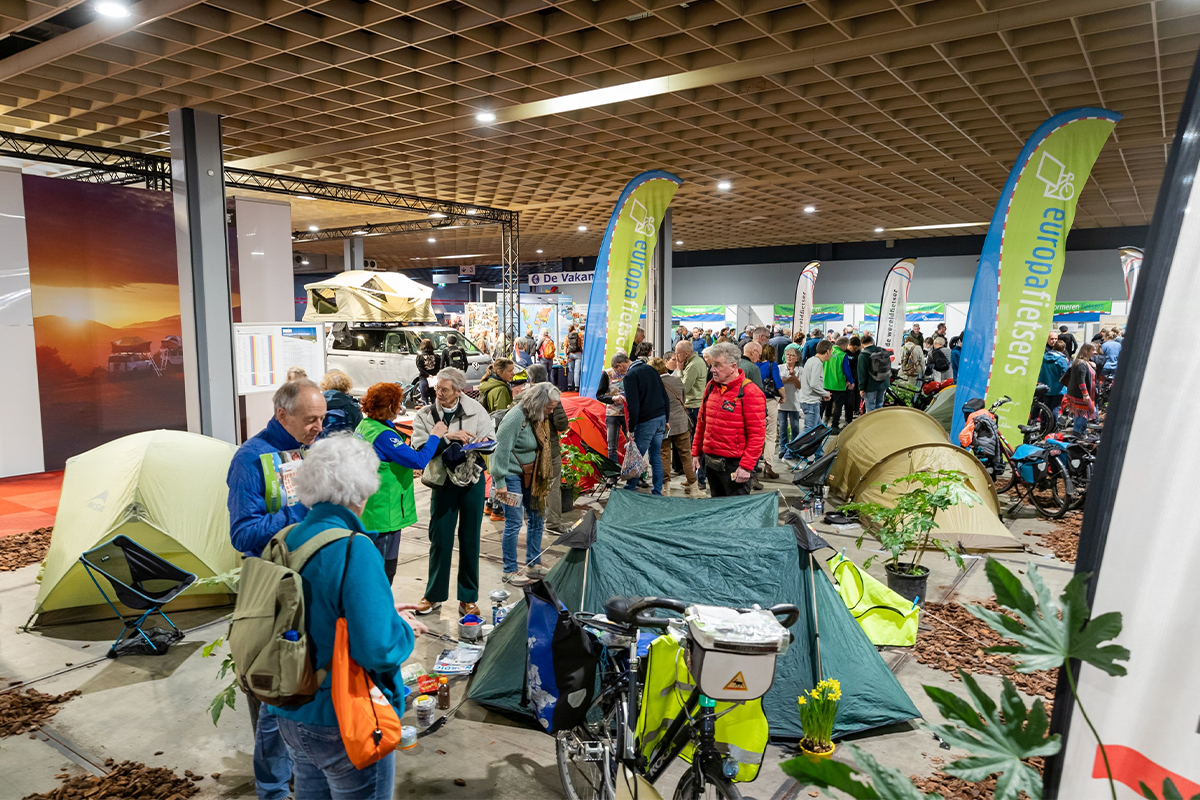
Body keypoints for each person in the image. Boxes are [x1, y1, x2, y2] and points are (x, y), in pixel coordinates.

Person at [269, 435, 425, 800]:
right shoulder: (354, 548)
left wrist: (384, 612)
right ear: (362, 489)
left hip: (291, 711)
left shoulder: (287, 538)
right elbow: (379, 649)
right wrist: (401, 628)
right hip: (343, 717)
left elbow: (318, 612)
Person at [226, 378, 327, 800]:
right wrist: (299, 511)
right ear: (282, 415)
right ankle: (272, 790)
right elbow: (243, 533)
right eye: (310, 420)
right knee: (275, 692)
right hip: (272, 594)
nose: (318, 427)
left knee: (307, 684)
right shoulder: (250, 459)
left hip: (312, 586)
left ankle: (305, 773)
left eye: (322, 419)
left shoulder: (309, 450)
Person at [411, 368, 494, 616]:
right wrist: (448, 437)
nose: (439, 393)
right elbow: (418, 447)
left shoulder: (476, 410)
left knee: (470, 538)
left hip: (472, 481)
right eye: (437, 388)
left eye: (444, 390)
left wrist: (478, 442)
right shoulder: (426, 414)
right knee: (440, 538)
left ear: (459, 391)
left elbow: (490, 438)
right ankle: (433, 595)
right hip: (441, 481)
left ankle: (468, 597)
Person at [356, 383, 445, 585]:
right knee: (384, 571)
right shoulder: (384, 436)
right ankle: (380, 612)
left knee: (369, 567)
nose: (400, 408)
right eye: (397, 404)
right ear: (388, 407)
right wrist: (435, 435)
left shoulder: (365, 426)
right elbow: (418, 460)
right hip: (385, 513)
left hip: (369, 508)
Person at [490, 382, 561, 584]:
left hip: (532, 476)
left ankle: (534, 564)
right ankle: (510, 570)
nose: (552, 410)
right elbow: (500, 449)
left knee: (538, 517)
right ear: (539, 403)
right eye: (550, 407)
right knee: (513, 522)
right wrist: (500, 481)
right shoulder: (516, 417)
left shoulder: (537, 417)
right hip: (510, 476)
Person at [690, 343, 766, 497]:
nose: (712, 369)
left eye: (718, 365)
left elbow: (757, 435)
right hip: (711, 463)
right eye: (712, 365)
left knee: (735, 514)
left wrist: (746, 466)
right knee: (717, 508)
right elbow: (702, 423)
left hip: (735, 466)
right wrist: (696, 453)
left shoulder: (750, 392)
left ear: (733, 366)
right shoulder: (711, 387)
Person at [525, 363, 570, 532]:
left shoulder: (525, 396)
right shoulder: (551, 395)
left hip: (528, 452)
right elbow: (561, 424)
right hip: (549, 450)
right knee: (552, 488)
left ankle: (533, 522)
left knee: (530, 487)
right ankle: (552, 523)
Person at [621, 353, 670, 495]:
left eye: (618, 370)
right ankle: (657, 491)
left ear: (621, 365)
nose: (619, 373)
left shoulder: (630, 376)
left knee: (636, 455)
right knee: (655, 456)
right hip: (660, 418)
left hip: (646, 421)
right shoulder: (651, 370)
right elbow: (664, 396)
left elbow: (633, 405)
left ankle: (630, 489)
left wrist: (631, 429)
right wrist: (666, 418)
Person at [649, 357, 698, 495]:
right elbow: (683, 397)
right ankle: (694, 487)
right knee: (686, 455)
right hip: (681, 422)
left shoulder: (654, 384)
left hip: (664, 424)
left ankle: (666, 488)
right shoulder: (677, 380)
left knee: (664, 455)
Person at [676, 340, 708, 491]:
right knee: (694, 443)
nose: (676, 357)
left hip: (694, 407)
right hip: (693, 405)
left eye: (678, 354)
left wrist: (680, 370)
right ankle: (694, 478)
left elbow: (683, 388)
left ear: (686, 354)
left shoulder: (693, 365)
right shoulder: (694, 362)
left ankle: (699, 479)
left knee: (696, 443)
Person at [596, 353, 631, 461]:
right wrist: (613, 398)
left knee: (631, 445)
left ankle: (633, 472)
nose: (619, 372)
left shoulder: (631, 372)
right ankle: (613, 474)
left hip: (628, 413)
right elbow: (599, 395)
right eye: (617, 369)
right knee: (612, 446)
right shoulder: (607, 374)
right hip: (613, 414)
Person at [756, 343, 783, 478]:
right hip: (769, 401)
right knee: (770, 435)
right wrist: (783, 396)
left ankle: (754, 465)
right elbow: (778, 384)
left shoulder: (754, 366)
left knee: (755, 435)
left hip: (755, 402)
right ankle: (768, 465)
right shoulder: (773, 366)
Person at [1062, 344, 1098, 435]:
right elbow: (1081, 381)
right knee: (1081, 414)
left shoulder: (1084, 363)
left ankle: (1081, 431)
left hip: (1079, 393)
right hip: (1079, 394)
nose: (1095, 352)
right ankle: (1077, 432)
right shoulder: (1081, 364)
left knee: (1082, 414)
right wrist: (1085, 394)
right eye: (1093, 350)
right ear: (1087, 351)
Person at [799, 341, 833, 433]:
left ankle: (819, 448)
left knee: (818, 430)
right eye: (831, 351)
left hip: (807, 400)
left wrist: (822, 395)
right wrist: (825, 393)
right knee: (809, 431)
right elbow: (814, 384)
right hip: (811, 403)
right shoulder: (817, 363)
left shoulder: (811, 360)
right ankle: (791, 448)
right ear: (827, 351)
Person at [824, 336, 856, 433]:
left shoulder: (827, 352)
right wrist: (851, 381)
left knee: (827, 405)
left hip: (826, 384)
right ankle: (834, 426)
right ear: (843, 345)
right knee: (838, 406)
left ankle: (824, 424)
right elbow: (847, 370)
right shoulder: (842, 355)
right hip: (838, 384)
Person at [319, 369, 362, 436]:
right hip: (346, 444)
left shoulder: (316, 405)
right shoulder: (353, 407)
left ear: (324, 385)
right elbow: (359, 431)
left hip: (321, 444)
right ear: (347, 386)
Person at [778, 344, 802, 455]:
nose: (789, 357)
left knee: (795, 427)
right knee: (782, 427)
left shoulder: (800, 370)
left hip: (794, 402)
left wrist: (794, 377)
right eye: (787, 355)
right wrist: (789, 379)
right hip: (782, 402)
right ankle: (783, 449)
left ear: (797, 358)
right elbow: (778, 383)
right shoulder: (779, 368)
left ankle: (794, 449)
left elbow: (799, 386)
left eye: (792, 355)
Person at [857, 334, 890, 413]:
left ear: (862, 344)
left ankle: (872, 424)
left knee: (870, 409)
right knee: (879, 406)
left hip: (870, 386)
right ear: (872, 341)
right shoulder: (883, 351)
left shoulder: (863, 355)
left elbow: (862, 373)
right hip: (883, 383)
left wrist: (861, 388)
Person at [1039, 338, 1069, 414]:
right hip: (1058, 388)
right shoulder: (1062, 359)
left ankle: (1043, 424)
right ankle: (1052, 425)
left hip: (1044, 385)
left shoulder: (1043, 357)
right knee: (1055, 408)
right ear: (1063, 349)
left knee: (1046, 407)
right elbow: (1065, 374)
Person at [416, 338, 440, 405]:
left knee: (424, 398)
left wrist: (427, 374)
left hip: (424, 378)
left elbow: (419, 368)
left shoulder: (419, 356)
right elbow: (438, 367)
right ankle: (435, 412)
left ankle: (426, 412)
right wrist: (434, 374)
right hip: (434, 379)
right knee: (434, 397)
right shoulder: (436, 356)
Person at [566, 324, 583, 391]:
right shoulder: (579, 335)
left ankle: (569, 386)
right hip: (578, 354)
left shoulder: (567, 336)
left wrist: (566, 355)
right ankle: (576, 387)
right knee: (577, 371)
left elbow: (565, 346)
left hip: (570, 354)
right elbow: (582, 345)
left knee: (570, 371)